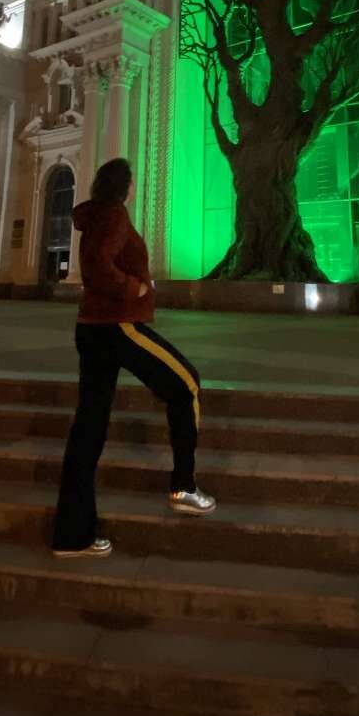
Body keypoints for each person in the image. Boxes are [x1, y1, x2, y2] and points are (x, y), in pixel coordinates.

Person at [52, 157, 215, 559]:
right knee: (187, 385)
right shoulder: (113, 216)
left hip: (92, 328)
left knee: (88, 428)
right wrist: (136, 289)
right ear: (124, 187)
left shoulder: (95, 216)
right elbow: (97, 267)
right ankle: (184, 487)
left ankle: (73, 534)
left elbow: (93, 264)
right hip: (118, 326)